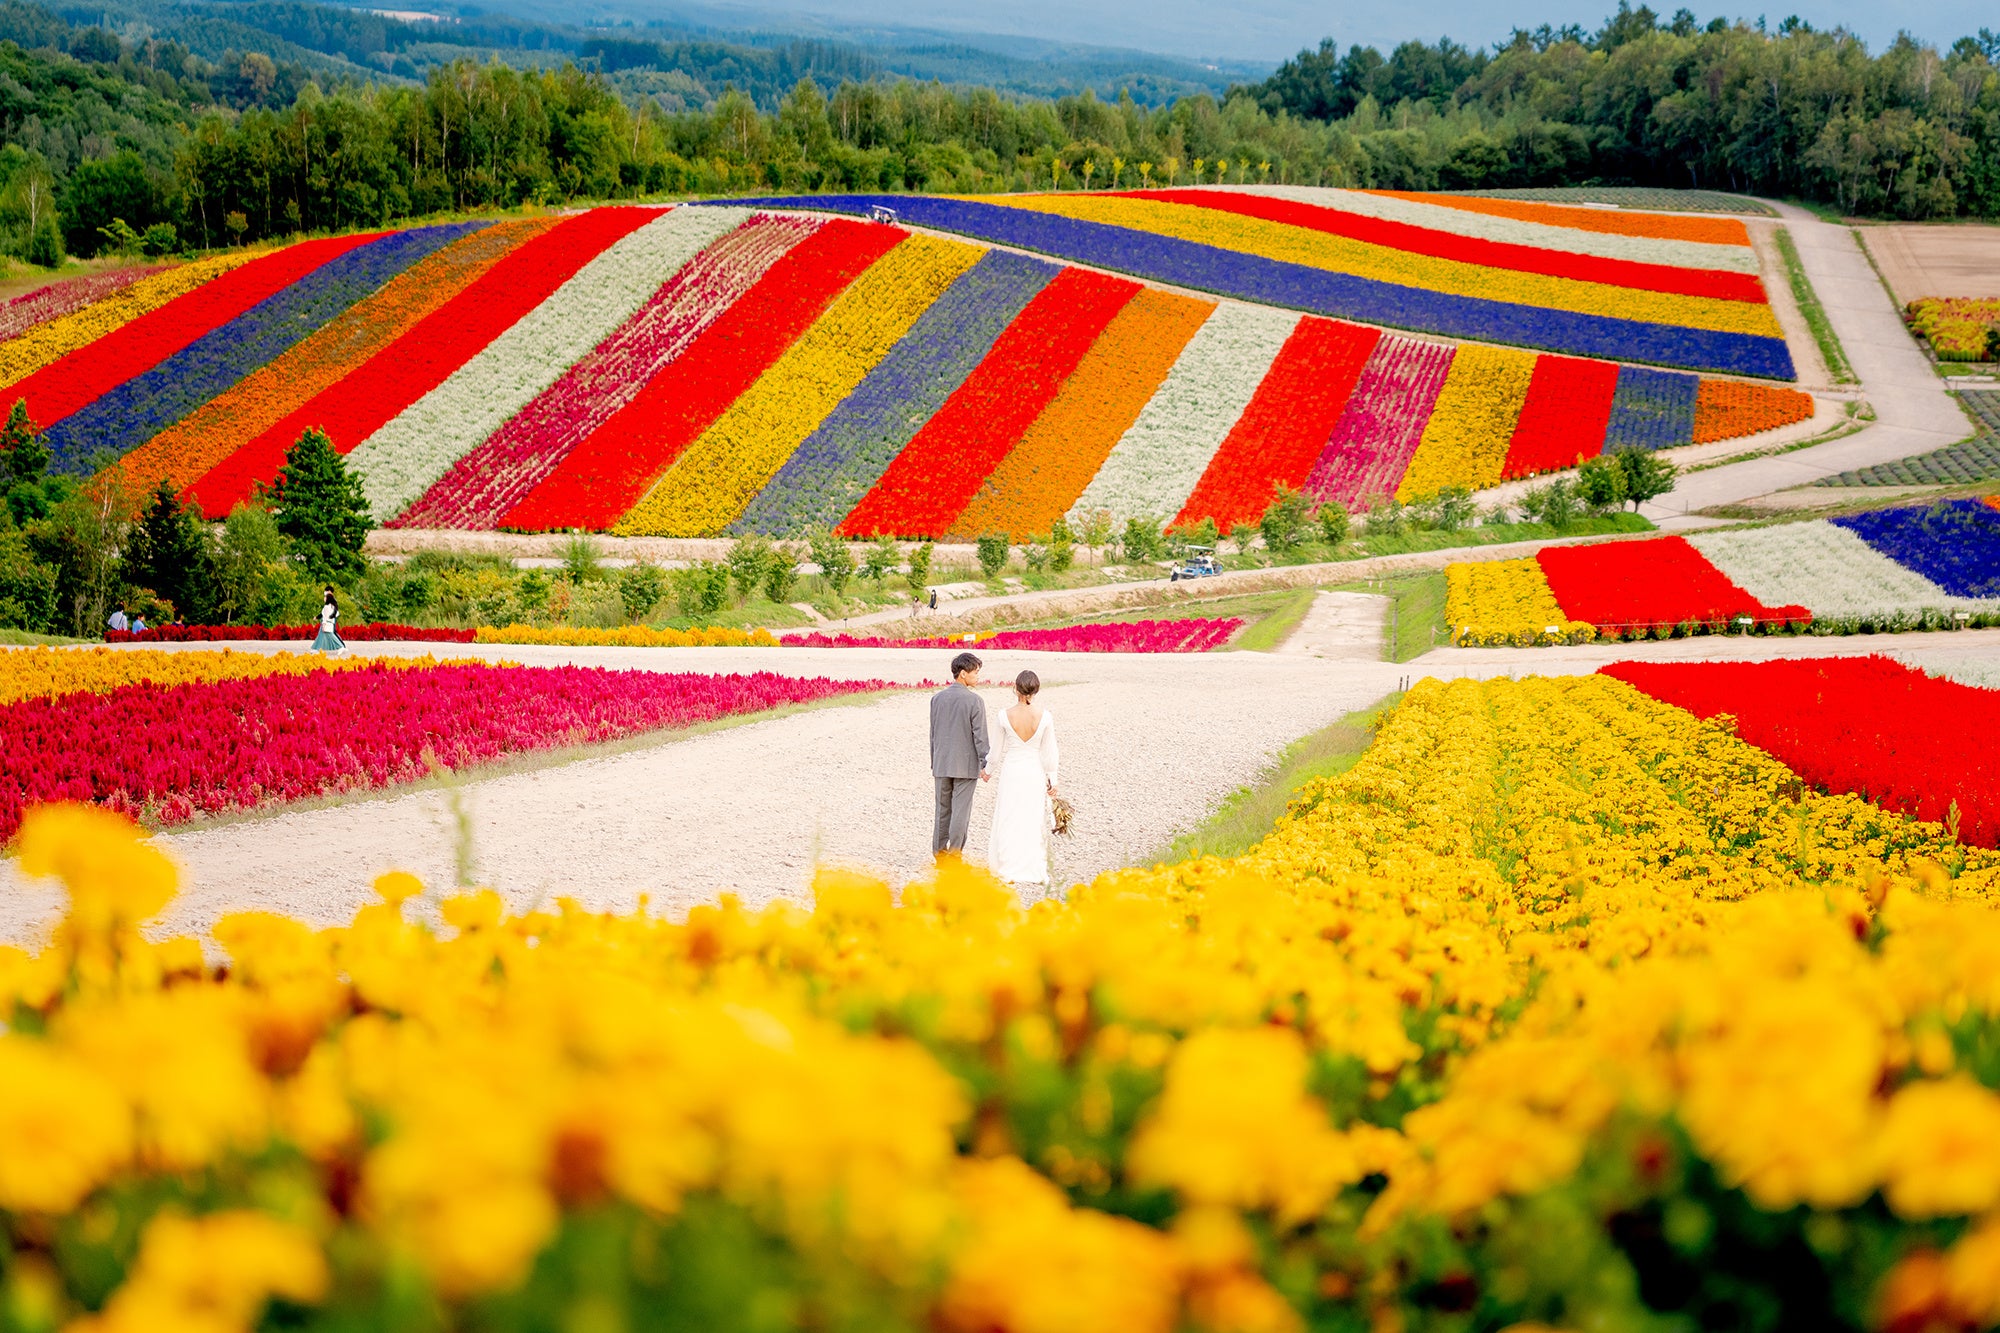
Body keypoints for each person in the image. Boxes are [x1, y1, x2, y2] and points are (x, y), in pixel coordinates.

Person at [987, 669, 1060, 901]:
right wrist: (1052, 778)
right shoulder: (1045, 716)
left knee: (1009, 816)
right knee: (1032, 817)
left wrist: (987, 771)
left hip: (1012, 770)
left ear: (1015, 688)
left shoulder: (1003, 715)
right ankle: (1034, 868)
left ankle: (1008, 867)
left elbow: (995, 752)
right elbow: (1050, 753)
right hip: (1033, 771)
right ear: (1035, 690)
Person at [929, 651, 989, 856]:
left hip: (941, 763)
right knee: (960, 811)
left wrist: (934, 762)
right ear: (963, 673)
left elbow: (933, 734)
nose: (978, 676)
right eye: (975, 672)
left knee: (942, 809)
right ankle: (955, 854)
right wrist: (985, 763)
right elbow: (980, 736)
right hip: (965, 766)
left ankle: (938, 851)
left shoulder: (937, 699)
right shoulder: (975, 701)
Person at [313, 588, 345, 654]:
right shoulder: (331, 606)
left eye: (325, 597)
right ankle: (317, 649)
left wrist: (324, 625)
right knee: (323, 636)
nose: (324, 598)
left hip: (327, 624)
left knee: (331, 636)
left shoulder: (327, 607)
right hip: (330, 623)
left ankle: (341, 647)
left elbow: (324, 616)